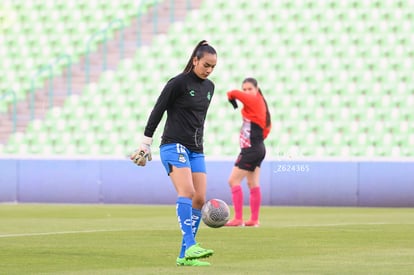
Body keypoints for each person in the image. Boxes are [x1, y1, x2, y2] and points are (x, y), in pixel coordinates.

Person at [130, 40, 217, 266]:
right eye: (205, 65)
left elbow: (199, 121)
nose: (208, 70)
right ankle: (191, 245)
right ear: (195, 60)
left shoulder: (210, 88)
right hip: (173, 145)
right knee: (187, 191)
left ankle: (184, 256)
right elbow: (158, 110)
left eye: (213, 67)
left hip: (196, 149)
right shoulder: (178, 83)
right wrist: (145, 144)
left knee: (199, 197)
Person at [225, 77, 271, 227]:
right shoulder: (259, 104)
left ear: (257, 90)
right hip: (258, 147)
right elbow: (267, 128)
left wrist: (231, 97)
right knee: (252, 183)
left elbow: (234, 93)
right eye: (244, 89)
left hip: (251, 149)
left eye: (250, 89)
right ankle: (254, 220)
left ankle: (238, 219)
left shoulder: (255, 100)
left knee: (233, 181)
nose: (246, 92)